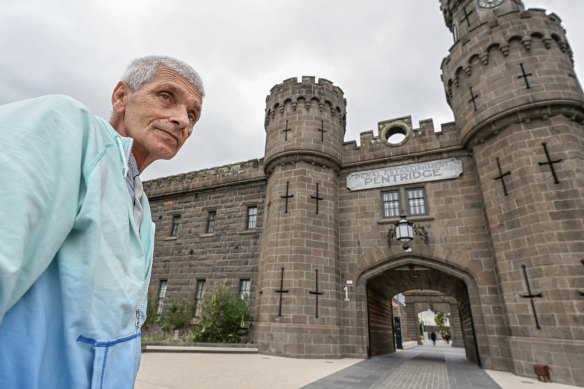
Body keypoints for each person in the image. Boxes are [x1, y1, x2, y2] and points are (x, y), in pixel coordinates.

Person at [0, 56, 204, 388]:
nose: (182, 119)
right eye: (167, 96)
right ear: (121, 97)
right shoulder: (68, 128)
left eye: (193, 114)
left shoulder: (142, 208)